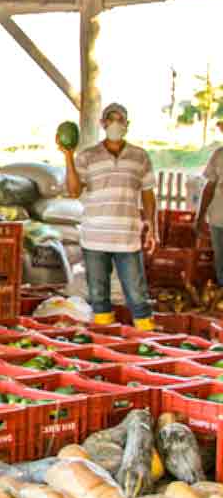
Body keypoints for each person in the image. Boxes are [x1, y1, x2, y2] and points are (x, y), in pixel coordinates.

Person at [64, 102, 159, 330]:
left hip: (127, 238)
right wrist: (68, 155)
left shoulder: (139, 156)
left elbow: (148, 194)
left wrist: (152, 227)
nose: (115, 123)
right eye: (111, 118)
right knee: (98, 297)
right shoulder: (88, 156)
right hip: (94, 237)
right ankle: (105, 339)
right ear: (102, 123)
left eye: (120, 119)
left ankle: (147, 340)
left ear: (127, 125)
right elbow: (74, 191)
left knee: (137, 296)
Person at [197, 119, 223, 284]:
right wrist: (200, 217)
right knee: (220, 263)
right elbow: (209, 186)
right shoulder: (219, 154)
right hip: (218, 219)